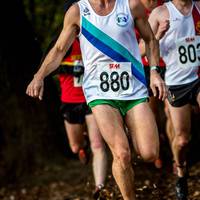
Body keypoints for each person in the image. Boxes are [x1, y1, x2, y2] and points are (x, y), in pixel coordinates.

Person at [26, 0, 167, 199]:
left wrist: (154, 72)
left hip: (133, 88)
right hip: (99, 94)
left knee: (150, 153)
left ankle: (128, 133)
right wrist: (39, 76)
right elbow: (58, 50)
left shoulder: (131, 5)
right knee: (121, 153)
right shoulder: (77, 11)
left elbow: (150, 40)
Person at [149, 0, 200, 199]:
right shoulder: (160, 13)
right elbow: (141, 49)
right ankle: (180, 171)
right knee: (181, 140)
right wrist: (158, 35)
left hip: (198, 77)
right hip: (176, 83)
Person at [57, 37, 107, 198]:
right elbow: (48, 64)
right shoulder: (62, 43)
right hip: (70, 101)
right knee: (75, 146)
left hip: (92, 99)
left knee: (98, 145)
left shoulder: (95, 38)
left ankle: (99, 187)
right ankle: (82, 144)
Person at [135, 0, 168, 169]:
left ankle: (176, 147)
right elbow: (134, 49)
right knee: (153, 111)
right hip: (146, 68)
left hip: (171, 64)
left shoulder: (167, 6)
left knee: (172, 110)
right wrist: (156, 36)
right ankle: (159, 147)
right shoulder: (132, 7)